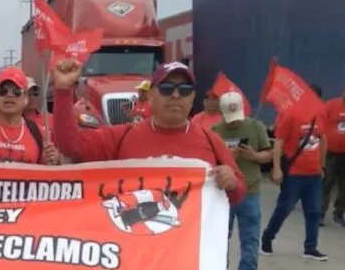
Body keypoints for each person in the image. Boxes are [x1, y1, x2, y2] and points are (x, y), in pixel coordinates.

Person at [51, 59, 245, 204]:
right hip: (141, 250)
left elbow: (239, 192)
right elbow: (70, 145)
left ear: (193, 97)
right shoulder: (123, 137)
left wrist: (231, 182)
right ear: (151, 95)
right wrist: (62, 90)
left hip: (192, 254)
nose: (176, 95)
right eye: (167, 88)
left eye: (184, 89)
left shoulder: (210, 140)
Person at [212, 92, 273, 270]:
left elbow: (269, 154)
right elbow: (209, 163)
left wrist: (253, 155)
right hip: (224, 194)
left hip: (251, 191)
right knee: (221, 237)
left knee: (250, 237)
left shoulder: (255, 127)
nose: (233, 124)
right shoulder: (214, 132)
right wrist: (226, 158)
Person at [262, 91, 328, 261]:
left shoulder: (320, 115)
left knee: (314, 211)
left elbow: (323, 141)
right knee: (284, 208)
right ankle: (267, 238)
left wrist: (322, 166)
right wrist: (277, 168)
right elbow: (279, 143)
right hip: (294, 174)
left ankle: (310, 247)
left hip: (313, 175)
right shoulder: (290, 114)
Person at [321, 88, 345, 226]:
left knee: (344, 185)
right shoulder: (331, 105)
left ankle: (339, 211)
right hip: (331, 152)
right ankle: (320, 212)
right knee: (327, 182)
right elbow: (320, 123)